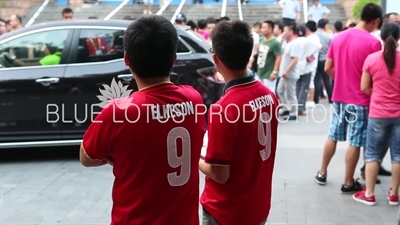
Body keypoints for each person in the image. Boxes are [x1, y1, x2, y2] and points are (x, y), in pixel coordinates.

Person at [79, 15, 205, 225]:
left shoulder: (117, 112)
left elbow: (86, 157)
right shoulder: (194, 99)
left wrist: (112, 155)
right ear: (174, 59)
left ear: (127, 59)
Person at [200, 20, 279, 225]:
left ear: (216, 58)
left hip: (226, 211)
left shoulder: (222, 109)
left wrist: (193, 156)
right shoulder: (270, 96)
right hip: (257, 205)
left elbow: (219, 174)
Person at [314, 3, 382, 192]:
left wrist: (341, 79)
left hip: (339, 97)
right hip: (360, 100)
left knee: (333, 135)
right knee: (355, 141)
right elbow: (374, 72)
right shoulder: (373, 43)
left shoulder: (338, 37)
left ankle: (322, 172)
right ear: (376, 21)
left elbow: (328, 67)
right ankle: (348, 181)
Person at [353, 22, 400, 206]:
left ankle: (369, 194)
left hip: (378, 113)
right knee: (398, 155)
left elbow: (364, 87)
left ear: (381, 37)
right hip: (399, 114)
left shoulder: (371, 59)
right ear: (398, 38)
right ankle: (394, 195)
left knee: (372, 153)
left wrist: (378, 96)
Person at [277, 22, 301, 120]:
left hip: (290, 74)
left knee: (291, 94)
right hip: (284, 73)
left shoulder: (294, 43)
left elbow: (295, 59)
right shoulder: (288, 43)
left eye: (285, 31)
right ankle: (286, 107)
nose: (284, 33)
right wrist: (282, 41)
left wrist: (286, 71)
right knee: (280, 90)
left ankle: (294, 112)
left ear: (291, 31)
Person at [257, 20, 282, 93]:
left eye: (264, 27)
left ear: (270, 29)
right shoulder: (261, 40)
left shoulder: (275, 42)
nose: (262, 29)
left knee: (269, 93)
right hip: (260, 71)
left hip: (269, 73)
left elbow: (278, 57)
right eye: (261, 27)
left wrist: (274, 72)